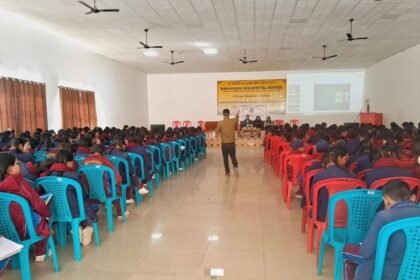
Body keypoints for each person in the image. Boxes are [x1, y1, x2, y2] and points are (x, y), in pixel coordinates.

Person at [346, 180, 420, 280]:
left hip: (389, 274)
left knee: (351, 253)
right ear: (413, 198)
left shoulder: (384, 217)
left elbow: (366, 252)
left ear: (386, 200)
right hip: (415, 273)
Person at [0, 153, 51, 262]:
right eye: (16, 164)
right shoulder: (22, 185)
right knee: (42, 219)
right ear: (8, 169)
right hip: (25, 228)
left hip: (5, 230)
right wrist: (47, 215)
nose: (19, 166)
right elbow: (38, 205)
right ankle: (40, 253)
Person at [41, 150, 97, 246]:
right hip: (74, 211)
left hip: (54, 211)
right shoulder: (74, 176)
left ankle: (76, 229)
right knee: (89, 203)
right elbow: (83, 195)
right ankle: (84, 227)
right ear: (68, 162)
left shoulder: (46, 176)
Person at [82, 144, 128, 220]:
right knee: (115, 189)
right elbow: (116, 175)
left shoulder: (84, 161)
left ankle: (92, 215)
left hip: (89, 191)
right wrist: (118, 184)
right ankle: (120, 213)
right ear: (102, 152)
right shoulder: (105, 161)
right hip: (106, 191)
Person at [216, 109, 239, 176]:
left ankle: (227, 172)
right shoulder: (232, 121)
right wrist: (237, 113)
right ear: (229, 114)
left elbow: (217, 132)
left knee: (225, 158)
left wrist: (219, 131)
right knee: (233, 156)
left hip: (224, 143)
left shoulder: (220, 123)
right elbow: (236, 119)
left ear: (223, 114)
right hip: (231, 143)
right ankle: (235, 167)